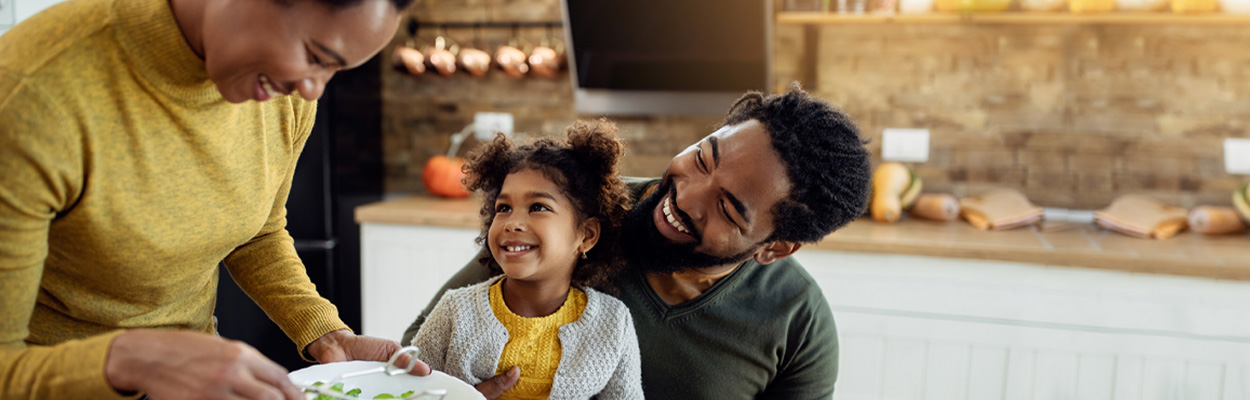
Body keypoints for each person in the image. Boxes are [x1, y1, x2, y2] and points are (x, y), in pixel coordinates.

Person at [0, 0, 427, 399]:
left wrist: (325, 333)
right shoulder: (30, 95)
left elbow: (257, 231)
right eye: (316, 55)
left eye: (335, 70)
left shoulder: (286, 97)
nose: (313, 89)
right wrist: (130, 358)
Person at [403, 84, 874, 399]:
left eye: (728, 208)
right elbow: (421, 352)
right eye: (704, 158)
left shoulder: (797, 323)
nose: (685, 196)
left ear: (775, 247)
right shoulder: (578, 213)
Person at [412, 120, 642, 400]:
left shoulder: (613, 324)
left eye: (538, 207)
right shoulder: (454, 313)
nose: (513, 223)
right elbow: (407, 392)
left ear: (587, 235)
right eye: (504, 208)